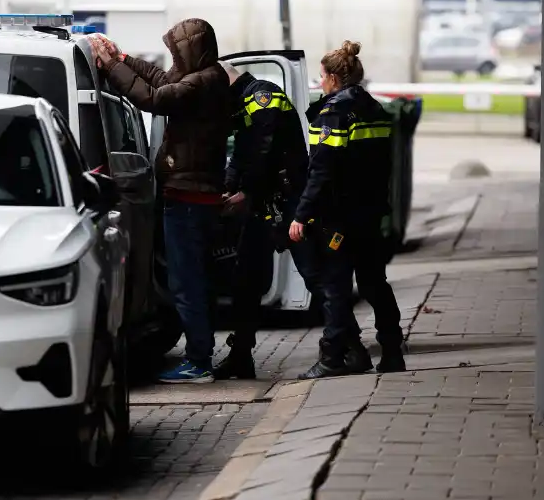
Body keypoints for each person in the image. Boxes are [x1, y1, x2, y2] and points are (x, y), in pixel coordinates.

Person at [91, 21, 231, 384]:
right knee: (189, 279)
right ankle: (200, 355)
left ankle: (199, 361)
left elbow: (155, 98)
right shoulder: (201, 74)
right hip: (188, 194)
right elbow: (160, 78)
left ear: (191, 50)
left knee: (188, 282)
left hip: (190, 197)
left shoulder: (204, 82)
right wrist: (122, 58)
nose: (172, 58)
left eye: (176, 52)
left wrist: (111, 67)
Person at [289, 40, 406, 379]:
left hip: (338, 217)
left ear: (333, 79)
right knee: (374, 284)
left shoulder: (334, 113)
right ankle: (392, 352)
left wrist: (301, 215)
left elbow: (321, 171)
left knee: (334, 287)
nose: (319, 83)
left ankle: (332, 357)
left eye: (321, 77)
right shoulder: (374, 109)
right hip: (369, 214)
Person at [214, 61, 313, 380]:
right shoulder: (243, 104)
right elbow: (242, 155)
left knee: (316, 274)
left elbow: (263, 152)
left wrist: (245, 192)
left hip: (287, 203)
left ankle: (345, 344)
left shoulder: (263, 97)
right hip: (265, 205)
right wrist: (227, 188)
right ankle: (241, 355)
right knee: (246, 281)